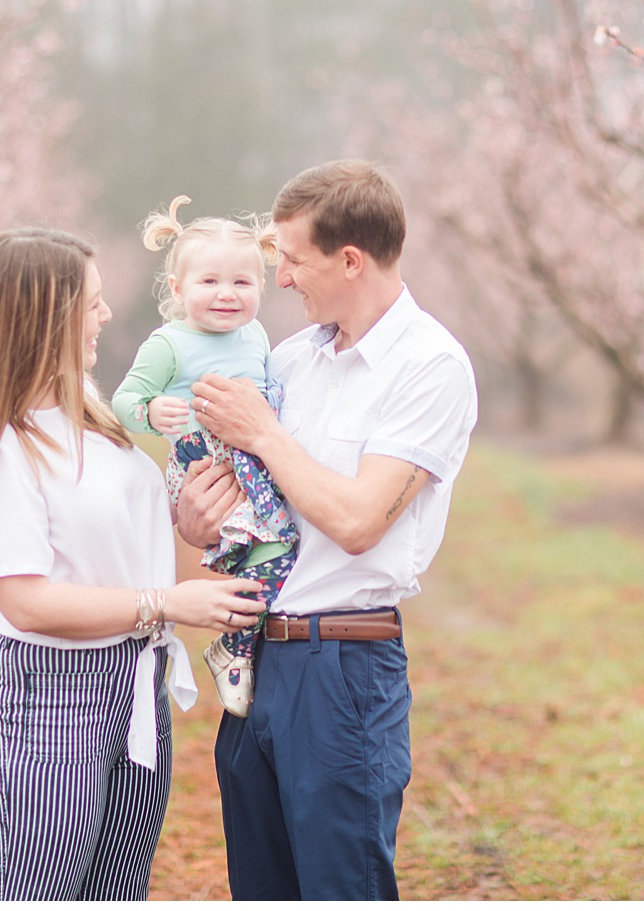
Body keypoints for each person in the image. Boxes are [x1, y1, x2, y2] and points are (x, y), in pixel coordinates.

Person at [0, 227, 261, 901]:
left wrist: (187, 526)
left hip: (133, 688)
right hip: (46, 698)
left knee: (116, 893)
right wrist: (165, 605)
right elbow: (25, 599)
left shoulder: (91, 413)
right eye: (93, 303)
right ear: (46, 317)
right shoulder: (4, 442)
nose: (105, 316)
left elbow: (118, 546)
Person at [175, 159, 479, 901]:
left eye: (291, 259)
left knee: (341, 887)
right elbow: (224, 522)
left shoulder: (430, 367)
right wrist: (195, 515)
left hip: (343, 671)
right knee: (262, 888)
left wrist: (266, 432)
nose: (277, 280)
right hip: (256, 661)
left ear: (350, 260)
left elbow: (356, 521)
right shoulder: (289, 360)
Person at [110, 196, 298, 719]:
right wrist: (154, 411)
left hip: (254, 464)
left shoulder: (257, 335)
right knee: (268, 551)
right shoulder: (169, 344)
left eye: (242, 282)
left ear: (261, 286)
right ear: (177, 289)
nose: (226, 294)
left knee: (279, 555)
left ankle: (235, 646)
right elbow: (125, 400)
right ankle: (236, 648)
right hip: (202, 463)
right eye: (209, 282)